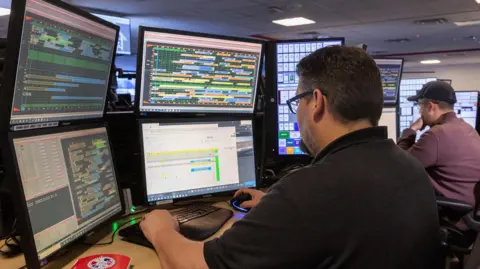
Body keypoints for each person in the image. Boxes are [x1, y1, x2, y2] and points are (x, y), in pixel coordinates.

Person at [140, 46, 441, 269]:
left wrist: (161, 229)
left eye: (297, 100)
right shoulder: (408, 166)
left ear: (317, 103)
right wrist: (276, 207)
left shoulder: (313, 188)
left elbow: (196, 265)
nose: (296, 113)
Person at [397, 81, 480, 208]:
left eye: (420, 106)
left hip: (451, 215)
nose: (420, 112)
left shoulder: (436, 135)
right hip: (470, 210)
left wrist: (411, 130)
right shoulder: (469, 129)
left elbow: (400, 164)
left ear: (430, 107)